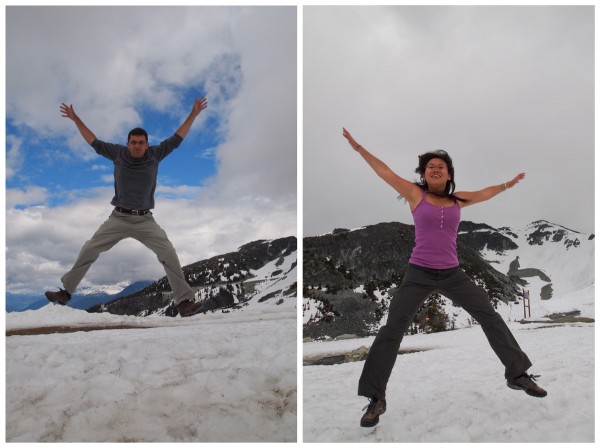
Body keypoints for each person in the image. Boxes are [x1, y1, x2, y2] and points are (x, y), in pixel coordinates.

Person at [341, 128, 547, 428]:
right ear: (424, 174)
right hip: (419, 273)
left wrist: (507, 184)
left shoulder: (457, 201)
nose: (435, 169)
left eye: (441, 166)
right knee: (391, 331)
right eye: (430, 166)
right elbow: (384, 171)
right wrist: (359, 147)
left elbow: (484, 193)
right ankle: (376, 398)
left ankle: (517, 374)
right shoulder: (415, 194)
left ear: (449, 174)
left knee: (490, 316)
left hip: (452, 274)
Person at [45, 98, 209, 317]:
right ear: (128, 142)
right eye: (133, 142)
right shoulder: (117, 153)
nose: (137, 146)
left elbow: (177, 138)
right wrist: (76, 119)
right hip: (118, 218)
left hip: (144, 220)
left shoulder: (155, 155)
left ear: (147, 144)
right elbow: (93, 141)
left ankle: (184, 303)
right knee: (90, 248)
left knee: (168, 252)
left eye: (141, 142)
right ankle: (65, 293)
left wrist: (194, 114)